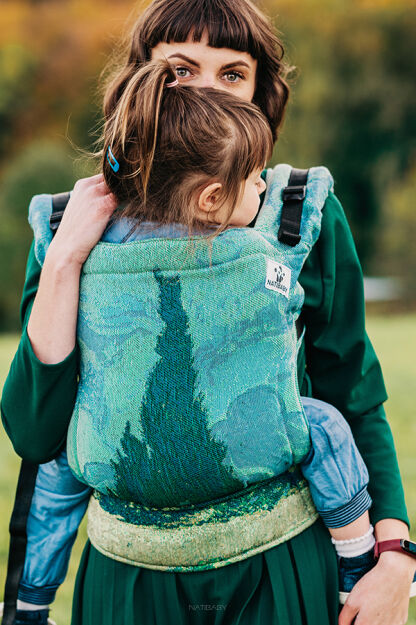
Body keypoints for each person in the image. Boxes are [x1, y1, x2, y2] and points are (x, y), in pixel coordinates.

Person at [1, 1, 415, 624]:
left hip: (279, 573)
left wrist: (394, 557)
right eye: (180, 69)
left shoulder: (303, 211)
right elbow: (37, 435)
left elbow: (352, 396)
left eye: (232, 74)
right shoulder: (66, 226)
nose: (206, 92)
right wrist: (64, 263)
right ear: (142, 81)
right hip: (128, 585)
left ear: (259, 93)